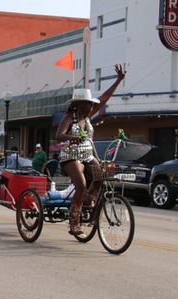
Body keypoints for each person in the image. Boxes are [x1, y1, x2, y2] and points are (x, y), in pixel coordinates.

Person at [56, 64, 125, 236]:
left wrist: (118, 80)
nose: (91, 105)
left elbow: (104, 98)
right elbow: (59, 135)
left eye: (91, 103)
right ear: (79, 104)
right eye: (87, 103)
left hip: (87, 154)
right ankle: (74, 223)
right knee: (81, 184)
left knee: (100, 177)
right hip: (71, 157)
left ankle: (89, 198)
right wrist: (73, 138)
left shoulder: (88, 116)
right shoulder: (68, 118)